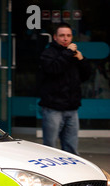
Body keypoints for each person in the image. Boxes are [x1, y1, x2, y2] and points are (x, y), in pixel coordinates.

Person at [38, 22, 91, 154]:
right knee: (50, 148)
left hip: (72, 109)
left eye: (68, 35)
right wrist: (67, 53)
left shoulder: (73, 55)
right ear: (55, 37)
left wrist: (81, 59)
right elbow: (53, 69)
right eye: (62, 35)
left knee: (71, 149)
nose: (65, 38)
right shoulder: (48, 53)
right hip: (53, 109)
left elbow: (86, 76)